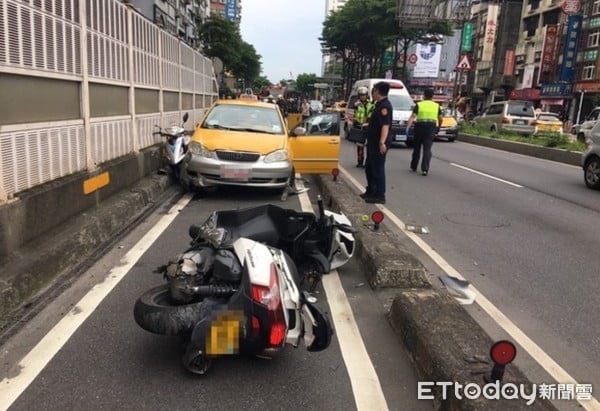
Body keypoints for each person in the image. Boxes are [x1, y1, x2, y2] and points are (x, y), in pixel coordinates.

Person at [361, 82, 393, 204]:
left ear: (378, 91)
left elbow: (385, 125)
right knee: (369, 167)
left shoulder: (385, 106)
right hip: (373, 141)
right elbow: (378, 123)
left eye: (373, 90)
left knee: (377, 168)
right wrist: (368, 125)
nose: (372, 93)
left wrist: (382, 142)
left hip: (378, 143)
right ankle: (370, 191)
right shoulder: (378, 105)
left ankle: (379, 195)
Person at [406, 88, 443, 176]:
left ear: (424, 95)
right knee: (427, 149)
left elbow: (413, 116)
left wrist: (408, 127)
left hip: (419, 126)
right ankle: (425, 169)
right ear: (432, 96)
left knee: (417, 148)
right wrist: (439, 126)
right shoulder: (436, 106)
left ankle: (414, 166)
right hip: (431, 127)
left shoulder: (419, 104)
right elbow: (440, 118)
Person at [353, 86, 374, 168]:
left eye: (364, 95)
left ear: (367, 95)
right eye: (361, 95)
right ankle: (360, 161)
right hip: (359, 127)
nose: (362, 97)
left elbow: (371, 115)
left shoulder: (370, 105)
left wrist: (367, 123)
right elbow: (354, 114)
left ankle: (368, 163)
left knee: (369, 147)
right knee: (360, 146)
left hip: (368, 127)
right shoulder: (357, 104)